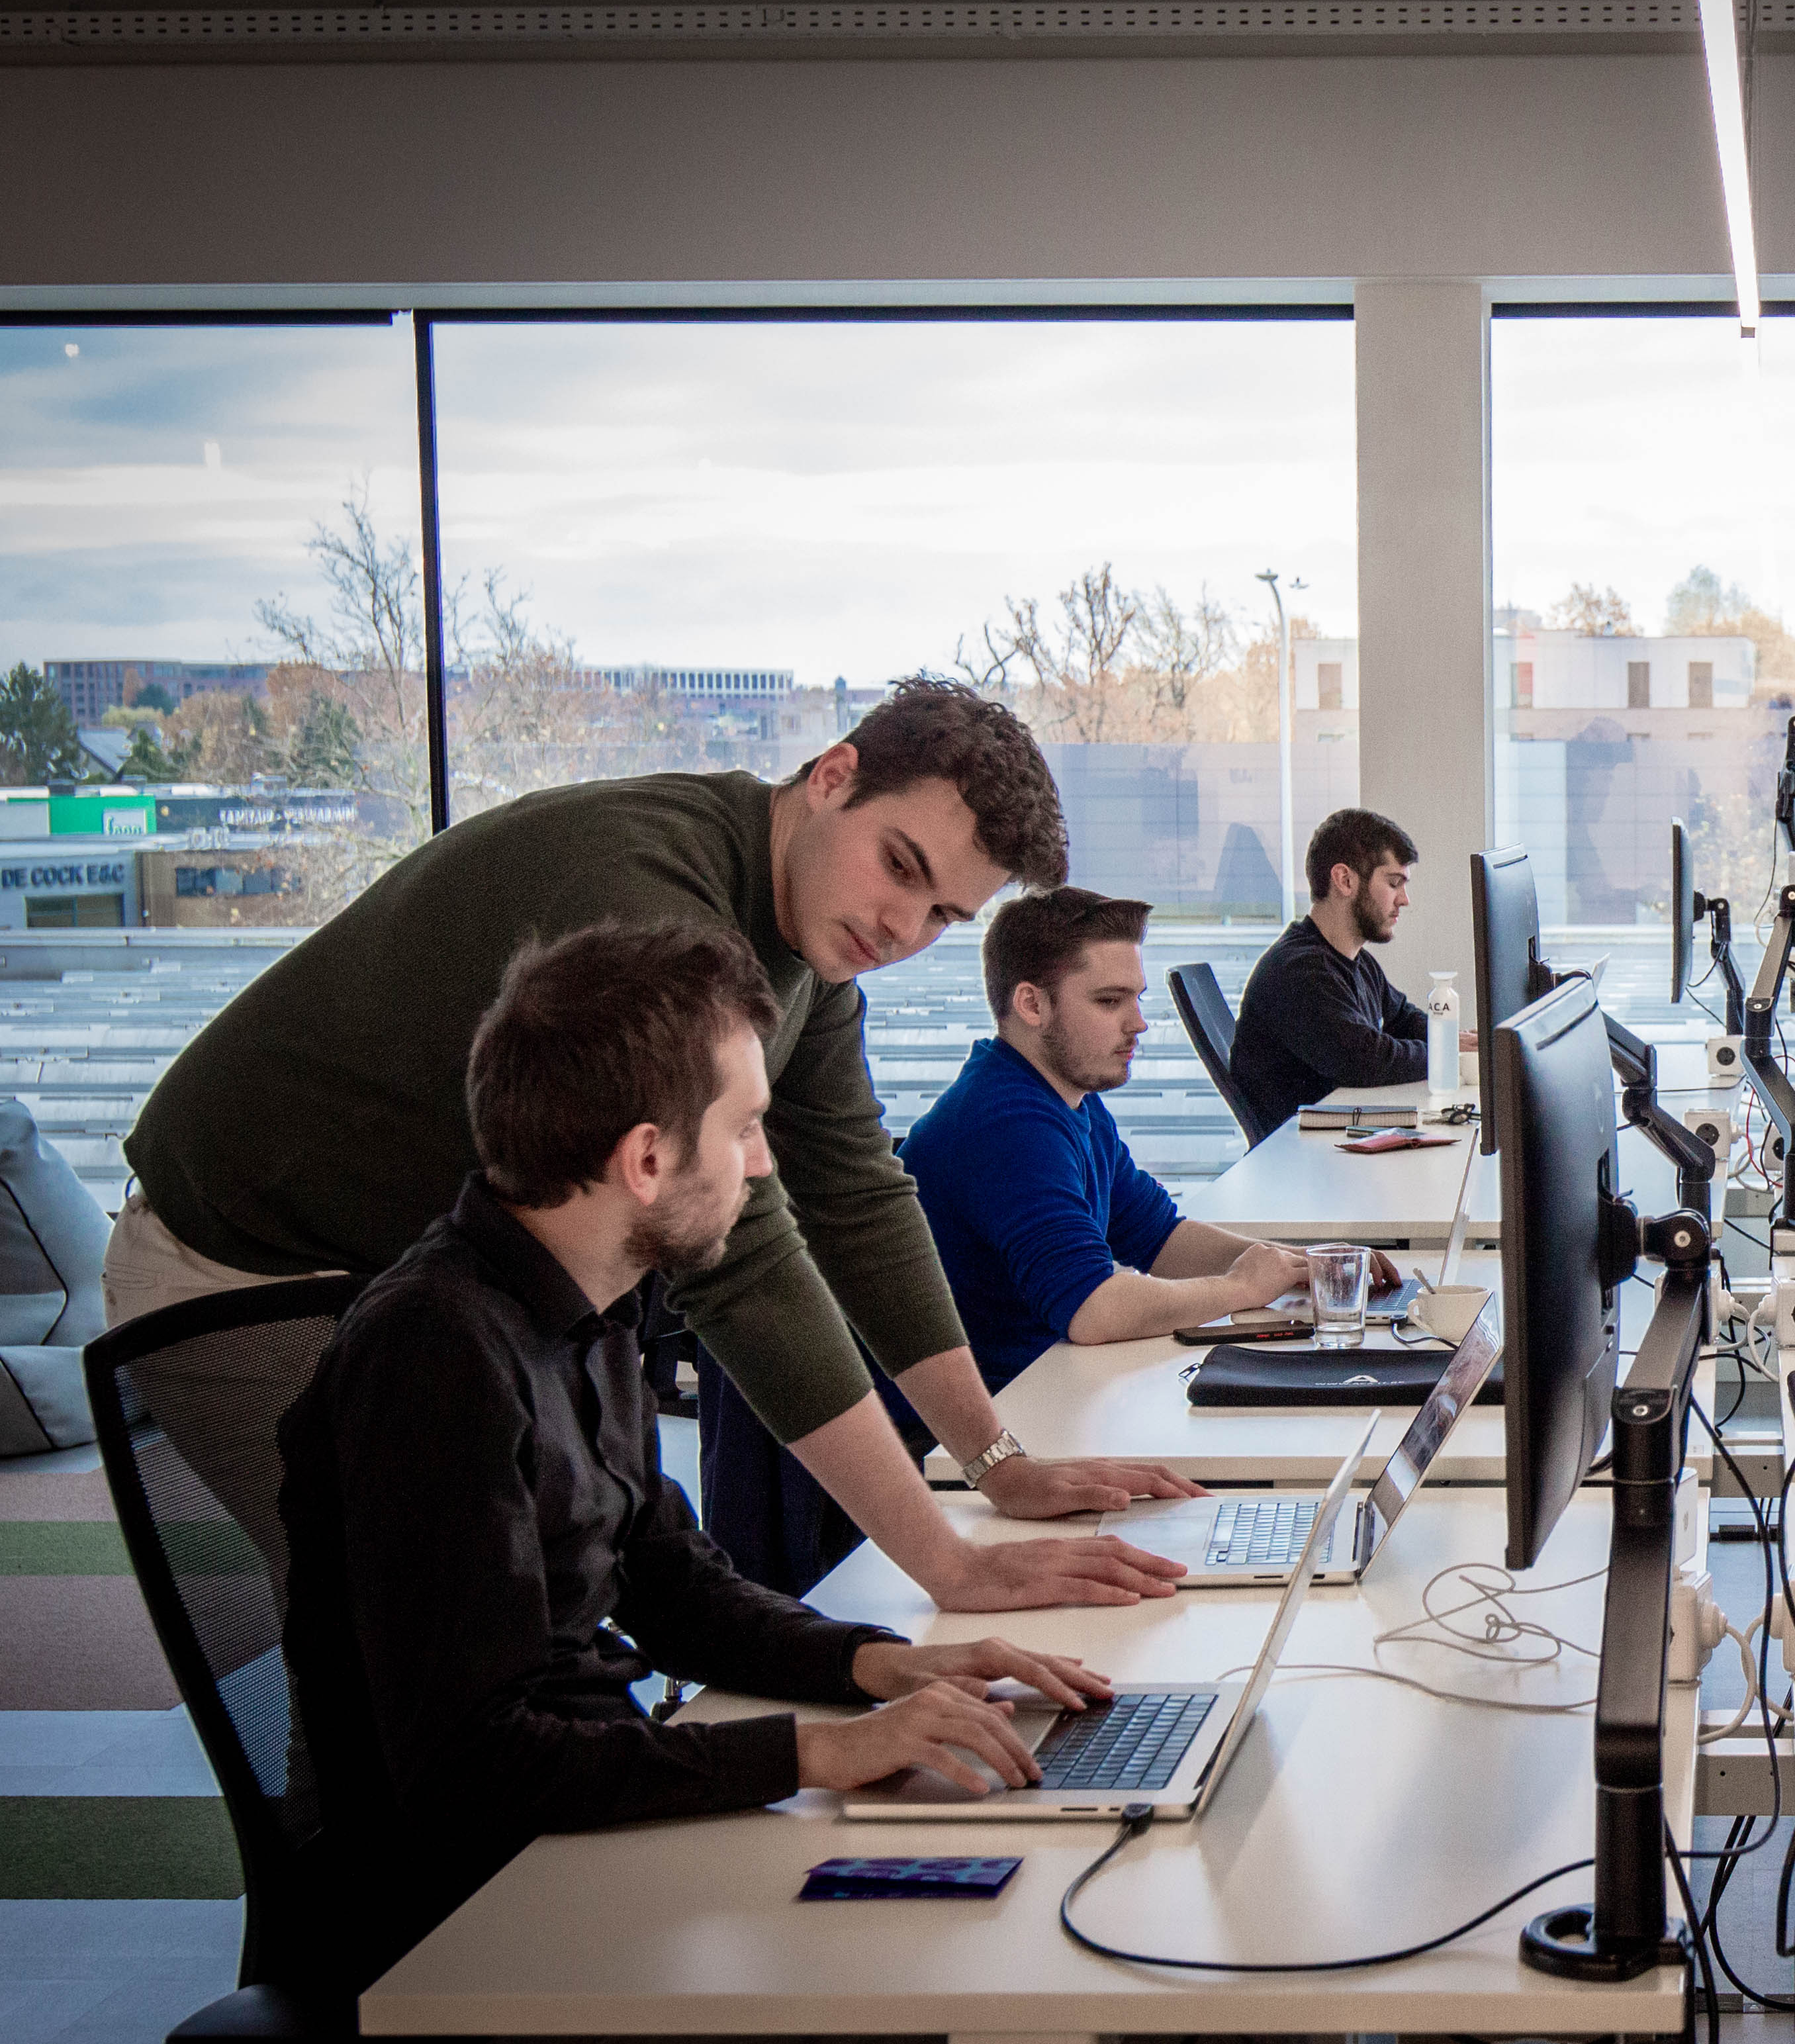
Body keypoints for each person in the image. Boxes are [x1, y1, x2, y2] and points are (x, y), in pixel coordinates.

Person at [277, 919, 1332, 2044]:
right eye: (746, 1129)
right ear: (649, 1157)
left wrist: (887, 1669)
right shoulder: (438, 1358)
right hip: (509, 2010)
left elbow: (675, 1589)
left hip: (604, 1885)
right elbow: (475, 1767)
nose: (765, 1164)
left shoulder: (579, 1307)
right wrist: (823, 1748)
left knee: (1227, 2008)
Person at [109, 678, 1198, 1610]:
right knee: (399, 1655)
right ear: (831, 776)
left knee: (541, 1620)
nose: (903, 930)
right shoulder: (650, 902)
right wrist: (944, 1561)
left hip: (424, 1282)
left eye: (943, 918)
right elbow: (744, 1261)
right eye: (900, 866)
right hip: (250, 1260)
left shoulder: (812, 952)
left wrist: (994, 1463)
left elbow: (857, 1198)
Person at [905, 888, 1318, 1384]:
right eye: (1109, 1001)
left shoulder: (1070, 1097)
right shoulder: (1004, 1121)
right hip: (957, 1440)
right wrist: (1240, 1288)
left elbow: (1159, 1237)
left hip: (1042, 1393)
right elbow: (1093, 1309)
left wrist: (1303, 1266)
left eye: (1137, 998)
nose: (1139, 1023)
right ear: (1032, 1004)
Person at [1228, 808, 1428, 1137]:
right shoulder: (1299, 972)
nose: (1404, 900)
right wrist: (1444, 1053)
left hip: (1336, 1148)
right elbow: (1368, 1060)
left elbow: (1405, 1019)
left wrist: (1455, 1040)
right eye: (1394, 883)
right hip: (1306, 1164)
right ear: (1345, 880)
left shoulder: (1357, 963)